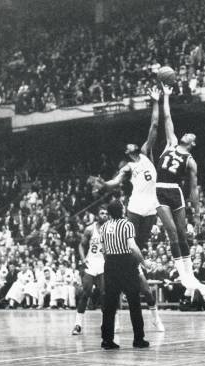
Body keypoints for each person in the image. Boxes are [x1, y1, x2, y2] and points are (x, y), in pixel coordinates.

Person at [96, 86, 164, 331]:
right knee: (129, 242)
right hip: (135, 206)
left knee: (139, 246)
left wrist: (155, 101)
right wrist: (104, 183)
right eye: (128, 144)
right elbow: (115, 181)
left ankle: (135, 270)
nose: (131, 144)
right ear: (127, 151)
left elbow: (155, 126)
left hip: (152, 207)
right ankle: (130, 270)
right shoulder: (127, 166)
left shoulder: (147, 154)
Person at [155, 84, 205, 303]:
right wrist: (165, 97)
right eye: (187, 132)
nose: (187, 133)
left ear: (192, 144)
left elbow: (193, 190)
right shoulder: (171, 143)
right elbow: (167, 118)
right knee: (172, 234)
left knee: (183, 235)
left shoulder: (190, 161)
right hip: (159, 190)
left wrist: (197, 213)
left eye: (191, 135)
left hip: (176, 193)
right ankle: (185, 278)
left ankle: (191, 277)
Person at [100, 199, 149, 350]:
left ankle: (107, 340)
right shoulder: (127, 224)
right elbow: (132, 247)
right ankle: (138, 339)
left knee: (110, 304)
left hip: (110, 264)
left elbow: (103, 250)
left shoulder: (104, 226)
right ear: (121, 210)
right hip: (126, 263)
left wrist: (110, 263)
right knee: (134, 302)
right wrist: (143, 262)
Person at [72, 207, 111, 335]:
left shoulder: (111, 229)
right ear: (97, 215)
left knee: (104, 294)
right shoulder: (90, 229)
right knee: (85, 292)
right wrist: (83, 259)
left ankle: (107, 322)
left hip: (104, 264)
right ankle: (78, 324)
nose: (104, 215)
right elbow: (81, 245)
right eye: (102, 213)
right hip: (91, 263)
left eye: (106, 213)